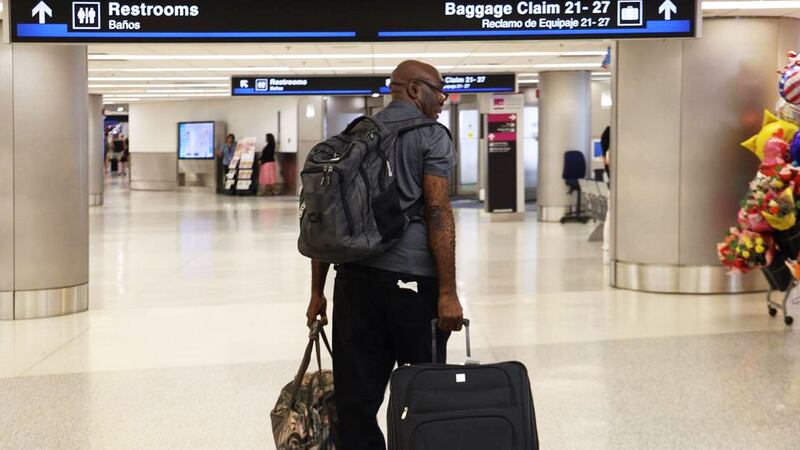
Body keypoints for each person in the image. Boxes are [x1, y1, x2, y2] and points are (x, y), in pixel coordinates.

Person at [305, 60, 464, 449]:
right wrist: (448, 292)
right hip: (414, 287)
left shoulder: (353, 136)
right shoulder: (432, 136)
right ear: (414, 89)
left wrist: (317, 291)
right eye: (439, 90)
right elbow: (438, 211)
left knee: (355, 402)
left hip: (354, 284)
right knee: (423, 394)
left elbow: (326, 218)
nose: (443, 99)